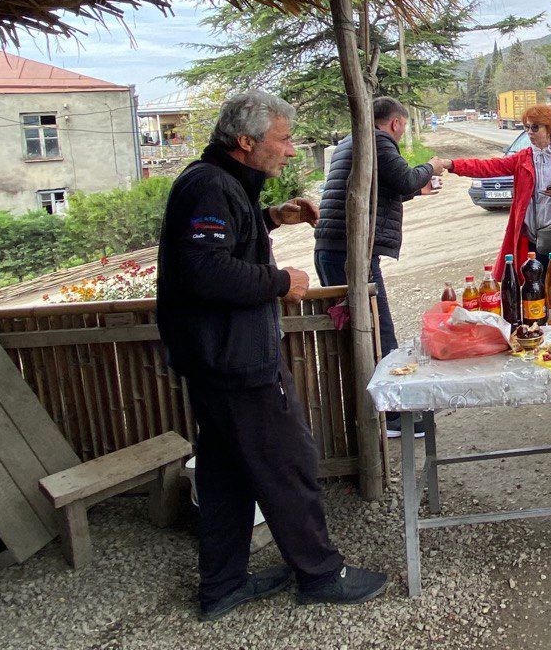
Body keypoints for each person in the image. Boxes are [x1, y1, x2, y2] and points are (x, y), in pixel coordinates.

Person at [156, 90, 387, 620]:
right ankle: (321, 575)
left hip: (213, 359)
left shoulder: (218, 183)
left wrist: (271, 217)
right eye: (282, 140)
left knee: (225, 473)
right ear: (245, 141)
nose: (289, 149)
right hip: (236, 361)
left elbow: (219, 242)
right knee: (288, 463)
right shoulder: (210, 185)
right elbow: (206, 270)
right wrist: (281, 281)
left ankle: (222, 587)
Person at [314, 96, 446, 439]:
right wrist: (431, 166)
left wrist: (418, 191)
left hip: (335, 248)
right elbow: (403, 178)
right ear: (396, 122)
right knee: (376, 330)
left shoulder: (353, 141)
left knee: (363, 329)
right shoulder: (378, 140)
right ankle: (393, 418)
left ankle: (377, 413)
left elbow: (380, 187)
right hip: (351, 252)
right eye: (403, 126)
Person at [443, 104, 551, 277]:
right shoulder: (524, 158)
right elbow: (489, 167)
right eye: (527, 127)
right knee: (533, 288)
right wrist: (453, 165)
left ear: (549, 128)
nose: (530, 132)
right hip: (532, 241)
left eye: (535, 127)